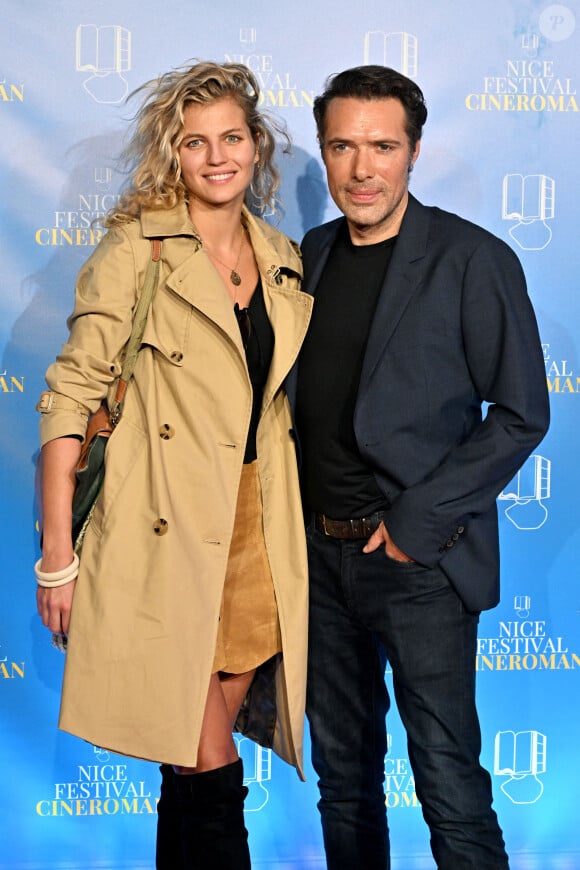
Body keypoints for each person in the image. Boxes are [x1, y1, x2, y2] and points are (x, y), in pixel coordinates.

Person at [35, 61, 312, 870]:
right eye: (197, 143)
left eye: (232, 137)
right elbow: (70, 402)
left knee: (190, 778)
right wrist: (59, 561)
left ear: (257, 146)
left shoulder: (284, 259)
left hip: (256, 538)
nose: (217, 156)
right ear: (173, 154)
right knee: (211, 772)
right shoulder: (137, 251)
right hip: (161, 538)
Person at [292, 65, 550, 869]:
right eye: (342, 146)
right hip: (316, 561)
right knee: (344, 778)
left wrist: (413, 526)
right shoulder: (313, 252)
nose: (361, 169)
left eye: (382, 146)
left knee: (445, 778)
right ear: (325, 153)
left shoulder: (472, 259)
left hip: (417, 562)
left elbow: (521, 413)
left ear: (413, 152)